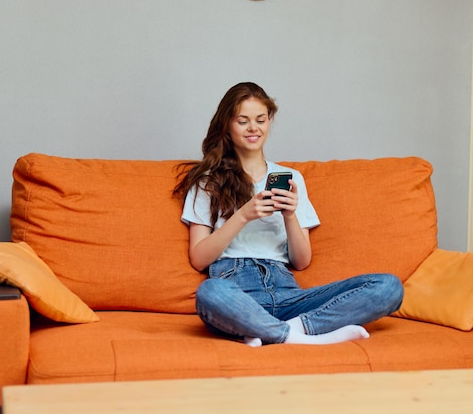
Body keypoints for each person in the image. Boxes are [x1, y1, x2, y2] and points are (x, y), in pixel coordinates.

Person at [173, 82, 403, 347]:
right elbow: (199, 259)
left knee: (388, 287)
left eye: (261, 120)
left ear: (269, 121)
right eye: (243, 121)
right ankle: (303, 337)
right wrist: (244, 215)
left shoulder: (292, 179)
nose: (253, 128)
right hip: (237, 296)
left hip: (287, 294)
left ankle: (283, 331)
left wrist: (290, 214)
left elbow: (302, 261)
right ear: (227, 124)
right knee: (209, 292)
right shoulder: (208, 181)